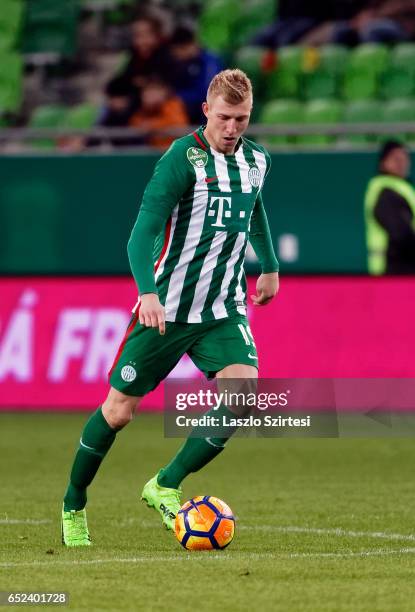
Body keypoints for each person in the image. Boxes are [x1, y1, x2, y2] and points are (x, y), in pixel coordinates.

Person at [61, 68, 280, 545]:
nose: (232, 128)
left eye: (241, 119)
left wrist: (269, 265)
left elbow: (256, 209)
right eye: (224, 117)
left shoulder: (257, 160)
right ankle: (73, 503)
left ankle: (164, 484)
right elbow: (143, 232)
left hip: (222, 308)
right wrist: (147, 293)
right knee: (118, 412)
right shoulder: (182, 159)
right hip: (168, 307)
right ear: (206, 110)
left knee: (243, 395)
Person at [364, 140, 415, 275]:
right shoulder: (386, 192)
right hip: (393, 270)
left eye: (404, 158)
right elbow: (401, 234)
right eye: (396, 158)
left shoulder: (402, 188)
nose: (401, 163)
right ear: (383, 162)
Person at [169, 25, 223, 124]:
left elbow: (209, 92)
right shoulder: (181, 63)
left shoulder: (209, 61)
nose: (177, 55)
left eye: (178, 51)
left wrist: (178, 98)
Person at [129, 78, 189, 148]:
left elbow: (178, 123)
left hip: (174, 151)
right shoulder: (145, 109)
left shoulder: (173, 104)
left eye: (154, 92)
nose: (150, 96)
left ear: (164, 92)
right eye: (147, 92)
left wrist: (152, 125)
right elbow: (135, 123)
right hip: (154, 151)